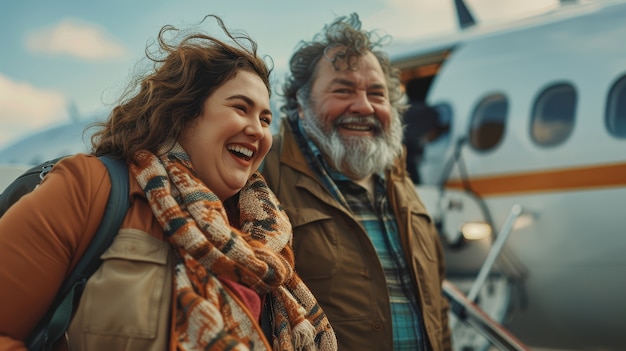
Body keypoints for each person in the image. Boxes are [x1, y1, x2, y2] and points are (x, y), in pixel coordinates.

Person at [0, 15, 336, 351]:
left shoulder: (268, 235)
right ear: (183, 113)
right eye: (240, 108)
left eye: (265, 119)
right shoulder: (90, 187)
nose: (258, 130)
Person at [261, 13, 452, 351]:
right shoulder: (262, 171)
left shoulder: (400, 182)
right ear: (301, 105)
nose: (363, 106)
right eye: (343, 90)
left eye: (377, 94)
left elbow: (437, 307)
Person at [402, 77, 447, 184]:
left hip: (400, 158)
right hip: (411, 159)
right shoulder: (426, 111)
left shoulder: (403, 110)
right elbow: (436, 130)